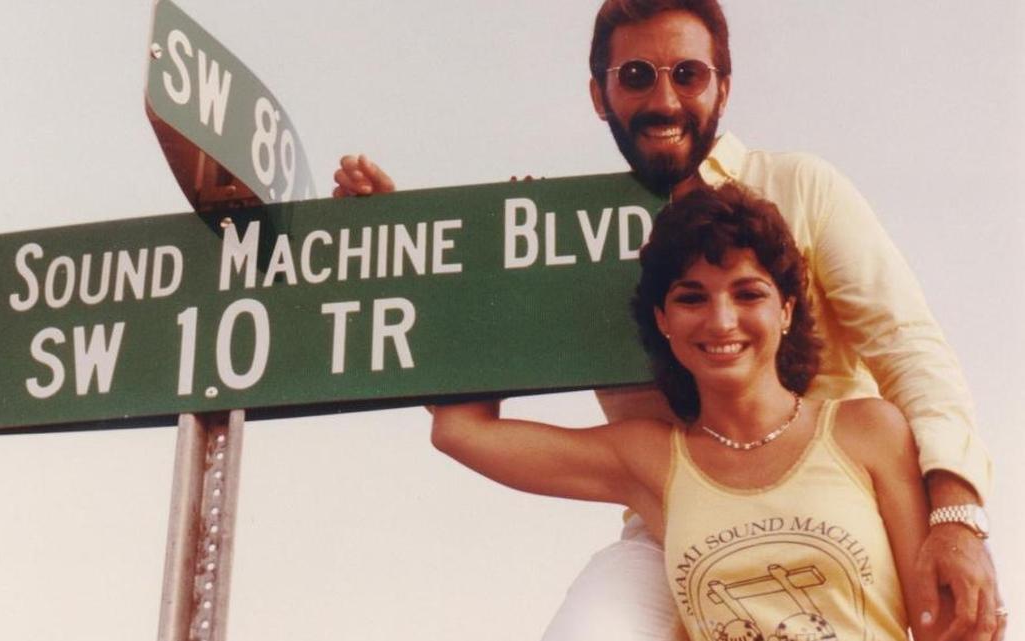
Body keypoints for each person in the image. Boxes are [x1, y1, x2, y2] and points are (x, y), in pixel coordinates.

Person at [332, 1, 1003, 638]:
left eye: (689, 74)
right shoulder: (577, 241)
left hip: (836, 496)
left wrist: (956, 515)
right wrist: (421, 263)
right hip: (673, 513)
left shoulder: (801, 188)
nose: (664, 101)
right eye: (635, 77)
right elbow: (468, 416)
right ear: (600, 94)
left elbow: (908, 347)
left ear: (724, 87)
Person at [432, 184, 947, 640]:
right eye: (691, 298)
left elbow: (944, 627)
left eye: (748, 294)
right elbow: (461, 431)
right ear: (663, 320)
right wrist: (497, 263)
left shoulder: (868, 431)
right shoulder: (651, 460)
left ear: (786, 308)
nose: (722, 321)